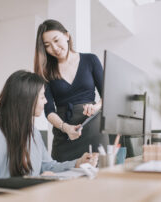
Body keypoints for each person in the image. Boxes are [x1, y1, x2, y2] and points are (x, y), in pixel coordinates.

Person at [0, 70, 98, 191]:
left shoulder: (32, 131)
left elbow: (48, 166)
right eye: (42, 97)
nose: (46, 101)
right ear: (27, 99)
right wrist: (36, 181)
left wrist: (78, 163)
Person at [34, 19, 109, 162]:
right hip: (65, 135)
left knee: (100, 177)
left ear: (67, 36)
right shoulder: (46, 72)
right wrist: (65, 127)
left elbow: (107, 96)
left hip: (94, 131)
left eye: (56, 40)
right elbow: (48, 110)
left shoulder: (90, 60)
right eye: (47, 45)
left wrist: (96, 107)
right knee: (63, 178)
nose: (54, 48)